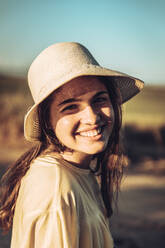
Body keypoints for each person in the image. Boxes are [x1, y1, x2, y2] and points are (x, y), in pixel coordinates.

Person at [0, 42, 144, 247]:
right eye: (70, 107)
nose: (92, 117)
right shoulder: (55, 187)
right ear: (47, 121)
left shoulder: (77, 171)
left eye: (99, 100)